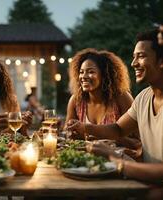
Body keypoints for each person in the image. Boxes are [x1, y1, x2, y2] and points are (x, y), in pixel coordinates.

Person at [67, 29, 163, 182]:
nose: (133, 63)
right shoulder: (143, 98)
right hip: (141, 180)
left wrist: (116, 158)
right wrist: (84, 127)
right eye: (133, 57)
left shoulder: (122, 97)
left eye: (141, 56)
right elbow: (118, 129)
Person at [65, 48, 141, 159]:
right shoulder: (76, 101)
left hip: (119, 163)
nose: (84, 76)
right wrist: (72, 133)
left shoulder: (121, 98)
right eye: (81, 72)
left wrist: (107, 137)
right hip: (86, 163)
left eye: (91, 72)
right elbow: (68, 137)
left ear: (104, 75)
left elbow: (139, 142)